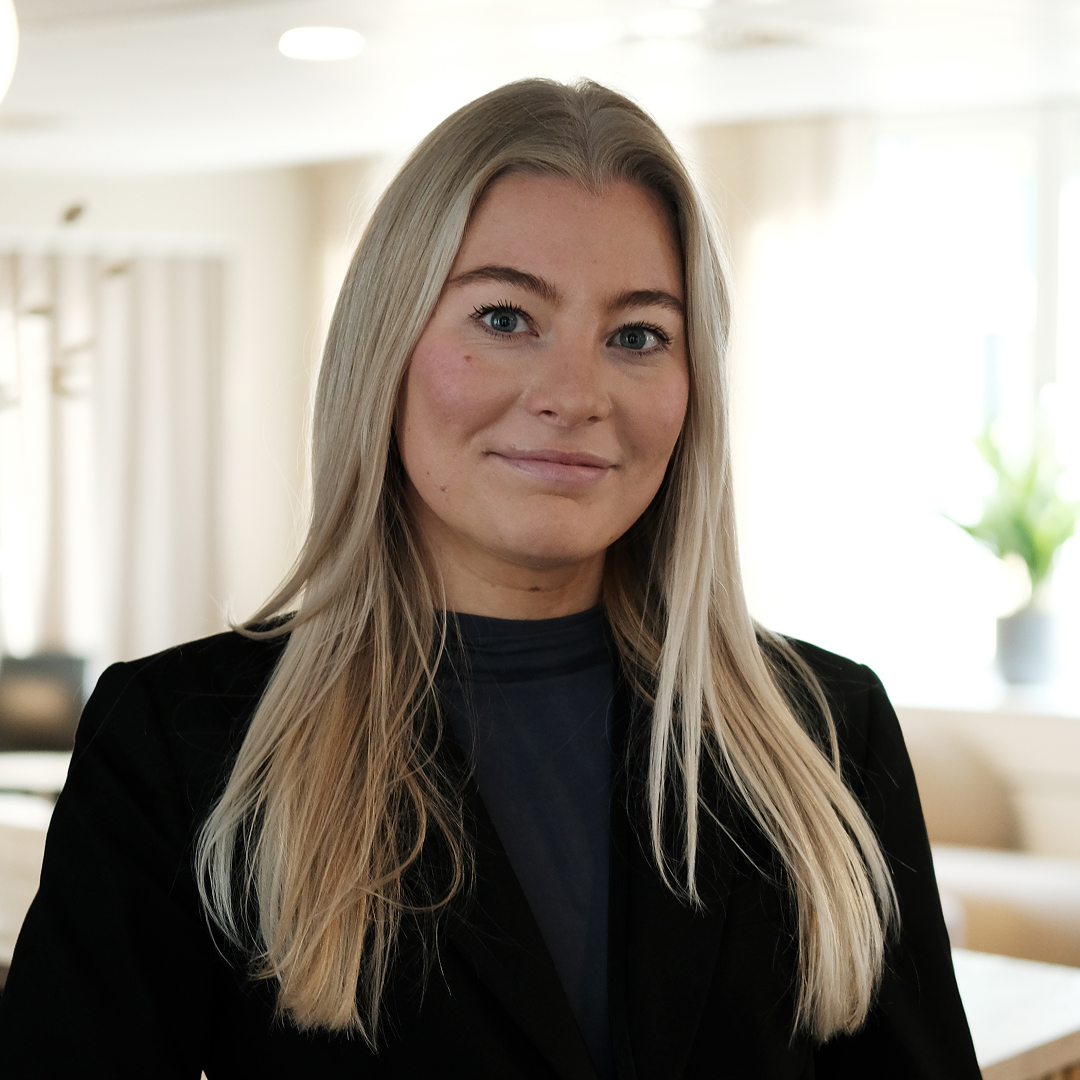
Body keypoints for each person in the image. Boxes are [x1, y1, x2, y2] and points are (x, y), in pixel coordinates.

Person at [0, 79, 980, 1079]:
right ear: (387, 346)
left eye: (638, 334)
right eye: (506, 317)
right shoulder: (180, 740)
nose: (574, 395)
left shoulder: (829, 729)